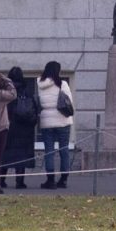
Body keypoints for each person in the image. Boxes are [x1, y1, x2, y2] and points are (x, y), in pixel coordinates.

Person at [37, 60, 74, 189]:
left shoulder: (39, 83)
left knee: (49, 151)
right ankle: (63, 179)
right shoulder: (62, 84)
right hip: (63, 120)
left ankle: (50, 180)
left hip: (47, 121)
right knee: (64, 150)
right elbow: (69, 101)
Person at [3, 65, 39, 189]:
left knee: (6, 153)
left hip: (9, 125)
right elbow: (34, 108)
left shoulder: (6, 90)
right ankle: (20, 181)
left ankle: (1, 180)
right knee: (22, 155)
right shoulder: (26, 90)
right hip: (25, 127)